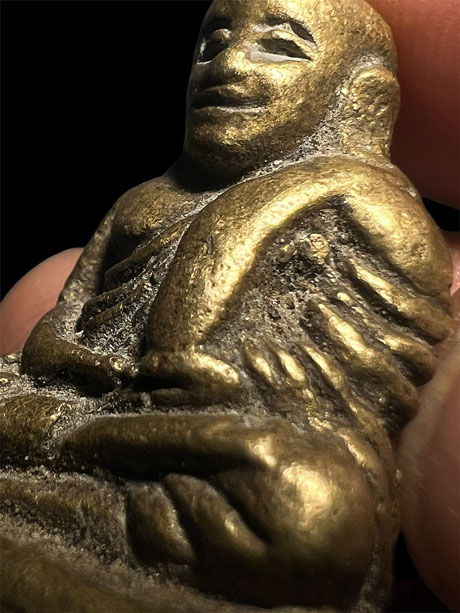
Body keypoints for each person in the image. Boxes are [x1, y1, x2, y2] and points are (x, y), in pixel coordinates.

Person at [1, 0, 458, 610]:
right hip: (92, 413)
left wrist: (297, 186)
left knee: (309, 510)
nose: (228, 64)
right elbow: (56, 327)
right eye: (211, 44)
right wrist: (91, 368)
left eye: (280, 47)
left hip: (220, 446)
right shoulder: (142, 201)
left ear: (360, 94)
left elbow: (361, 385)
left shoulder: (371, 205)